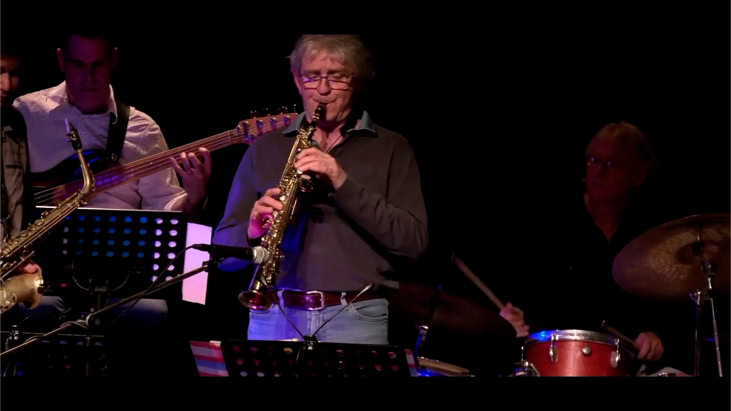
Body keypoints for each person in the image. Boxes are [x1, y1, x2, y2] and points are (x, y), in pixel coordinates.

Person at [7, 27, 211, 376]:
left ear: (114, 60)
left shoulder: (142, 129)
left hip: (120, 279)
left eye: (98, 64)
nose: (88, 76)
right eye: (78, 64)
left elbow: (167, 210)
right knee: (30, 312)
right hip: (41, 271)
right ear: (61, 60)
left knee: (153, 315)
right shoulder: (26, 113)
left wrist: (195, 196)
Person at [213, 34, 428, 345]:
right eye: (312, 77)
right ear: (297, 81)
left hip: (356, 317)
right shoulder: (264, 149)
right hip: (274, 314)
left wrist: (341, 182)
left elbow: (413, 243)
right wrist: (251, 231)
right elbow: (223, 257)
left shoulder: (391, 147)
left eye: (337, 77)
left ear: (356, 82)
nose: (323, 90)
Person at [498, 121, 676, 369]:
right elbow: (517, 295)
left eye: (612, 164)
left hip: (624, 367)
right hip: (548, 362)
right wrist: (511, 315)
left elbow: (665, 310)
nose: (598, 171)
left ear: (639, 175)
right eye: (593, 160)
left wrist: (654, 335)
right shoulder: (548, 222)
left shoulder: (651, 235)